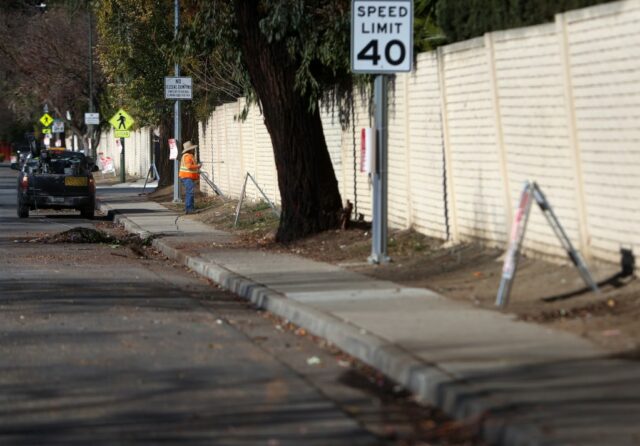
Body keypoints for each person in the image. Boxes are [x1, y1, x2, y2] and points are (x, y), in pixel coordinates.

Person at [178, 141, 201, 214]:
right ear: (190, 149)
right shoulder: (187, 156)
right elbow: (189, 166)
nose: (193, 150)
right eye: (192, 148)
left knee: (189, 192)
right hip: (187, 177)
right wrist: (198, 166)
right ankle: (189, 208)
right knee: (190, 192)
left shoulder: (186, 156)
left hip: (186, 177)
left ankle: (189, 208)